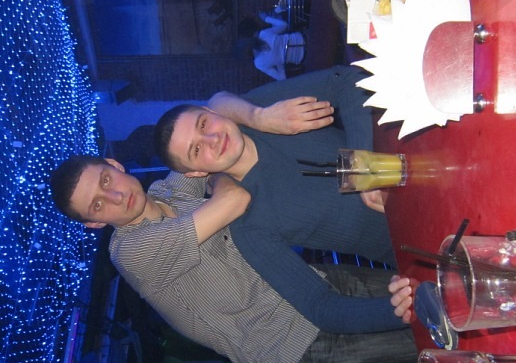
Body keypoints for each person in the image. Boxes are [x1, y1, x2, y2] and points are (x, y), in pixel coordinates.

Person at [49, 155, 418, 363]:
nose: (116, 197)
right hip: (296, 341)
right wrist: (219, 181)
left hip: (310, 280)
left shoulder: (165, 191)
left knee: (423, 285)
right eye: (98, 205)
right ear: (94, 223)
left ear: (114, 165)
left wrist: (215, 173)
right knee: (427, 336)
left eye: (106, 180)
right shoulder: (130, 252)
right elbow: (234, 200)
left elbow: (206, 134)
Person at [155, 65, 408, 335]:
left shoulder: (264, 113)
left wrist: (362, 165)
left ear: (211, 111)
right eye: (196, 150)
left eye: (203, 124)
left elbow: (348, 80)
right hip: (415, 244)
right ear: (196, 173)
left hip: (421, 165)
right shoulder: (248, 227)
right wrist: (400, 309)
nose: (212, 139)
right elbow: (319, 306)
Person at [245, 12, 305, 81]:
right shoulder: (263, 35)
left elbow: (282, 77)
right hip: (304, 38)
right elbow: (284, 25)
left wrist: (279, 62)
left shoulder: (259, 63)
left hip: (303, 57)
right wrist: (266, 18)